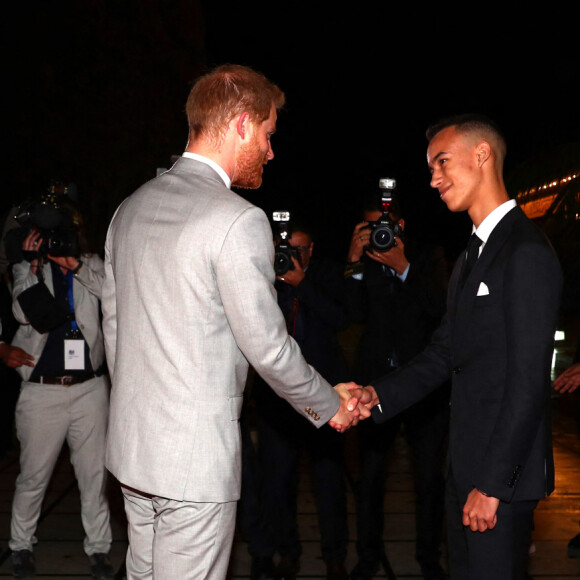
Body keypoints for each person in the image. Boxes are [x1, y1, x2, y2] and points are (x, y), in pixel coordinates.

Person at [101, 64, 369, 580]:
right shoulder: (237, 218)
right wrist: (330, 403)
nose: (271, 151)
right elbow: (268, 348)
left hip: (133, 452)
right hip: (193, 464)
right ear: (243, 124)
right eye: (268, 135)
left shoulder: (129, 209)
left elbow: (116, 331)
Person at [361, 114, 563, 580]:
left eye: (442, 162)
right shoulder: (472, 254)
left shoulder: (525, 251)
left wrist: (492, 485)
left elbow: (530, 381)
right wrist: (378, 395)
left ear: (482, 155)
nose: (433, 178)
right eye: (431, 167)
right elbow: (443, 354)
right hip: (465, 468)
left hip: (500, 480)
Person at [344, 194, 450, 580]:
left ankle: (429, 558)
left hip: (424, 388)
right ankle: (368, 557)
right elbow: (351, 314)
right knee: (369, 479)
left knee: (428, 480)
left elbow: (440, 309)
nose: (377, 234)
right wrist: (353, 263)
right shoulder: (364, 262)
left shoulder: (427, 256)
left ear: (399, 226)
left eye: (382, 226)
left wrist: (403, 267)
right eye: (369, 227)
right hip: (376, 384)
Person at [8, 208, 114, 579]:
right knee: (33, 475)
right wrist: (32, 266)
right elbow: (23, 313)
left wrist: (77, 267)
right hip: (42, 391)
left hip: (90, 388)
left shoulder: (90, 263)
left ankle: (99, 549)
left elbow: (113, 294)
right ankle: (21, 546)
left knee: (93, 475)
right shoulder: (27, 268)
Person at [245, 221, 351, 580]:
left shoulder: (326, 276)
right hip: (277, 402)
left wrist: (302, 283)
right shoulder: (265, 278)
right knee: (277, 483)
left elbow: (341, 318)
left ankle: (335, 557)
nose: (292, 256)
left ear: (312, 250)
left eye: (301, 249)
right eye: (286, 249)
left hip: (324, 394)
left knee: (329, 483)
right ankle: (287, 553)